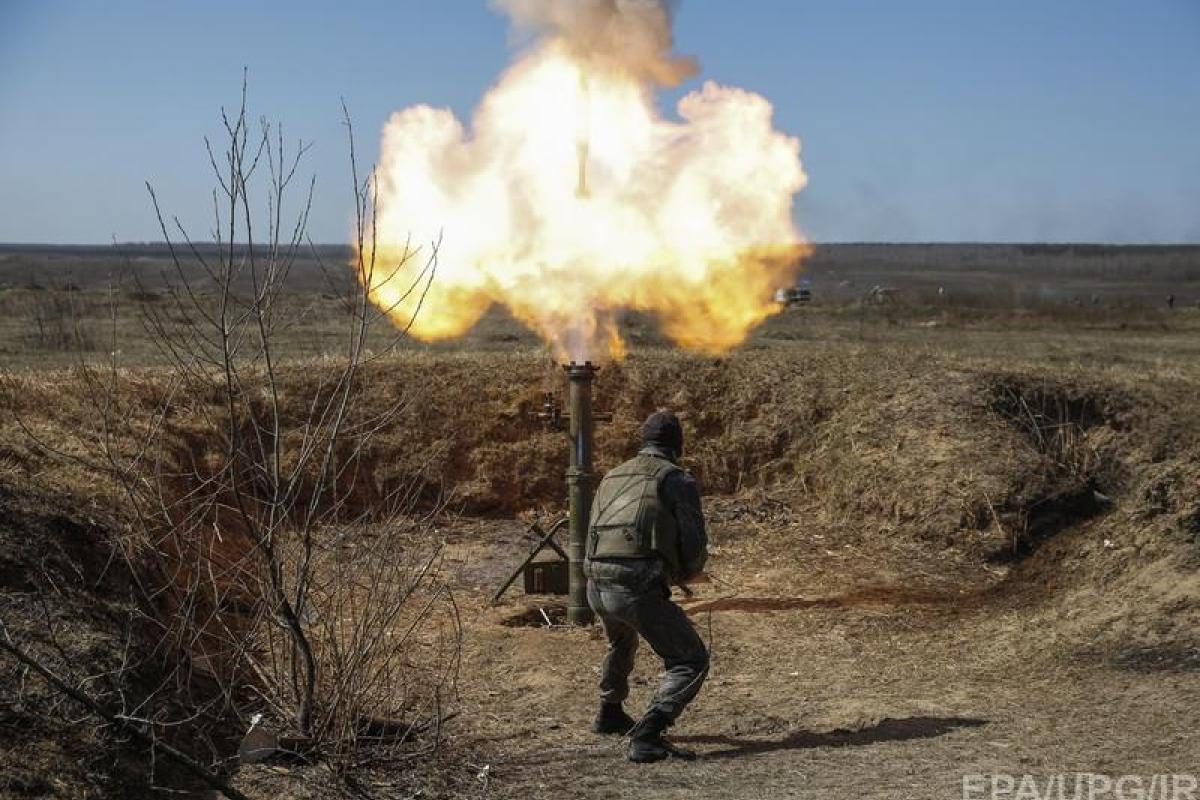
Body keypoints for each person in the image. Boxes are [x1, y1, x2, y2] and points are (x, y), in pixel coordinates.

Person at [584, 410, 710, 763]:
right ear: (677, 445)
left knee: (621, 638)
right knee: (690, 659)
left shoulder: (612, 475)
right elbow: (694, 543)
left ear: (644, 441)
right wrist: (686, 573)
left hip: (595, 582)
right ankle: (649, 733)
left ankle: (609, 712)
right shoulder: (676, 479)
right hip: (635, 586)